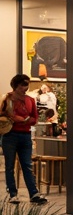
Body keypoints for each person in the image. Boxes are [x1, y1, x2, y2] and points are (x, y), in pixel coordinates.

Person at [3, 76, 48, 205]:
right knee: (10, 165)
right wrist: (15, 118)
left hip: (25, 135)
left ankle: (34, 193)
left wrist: (25, 120)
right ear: (16, 86)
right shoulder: (7, 98)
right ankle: (13, 194)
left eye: (27, 85)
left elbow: (35, 117)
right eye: (23, 85)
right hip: (10, 135)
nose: (26, 88)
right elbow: (2, 114)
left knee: (27, 166)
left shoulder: (30, 100)